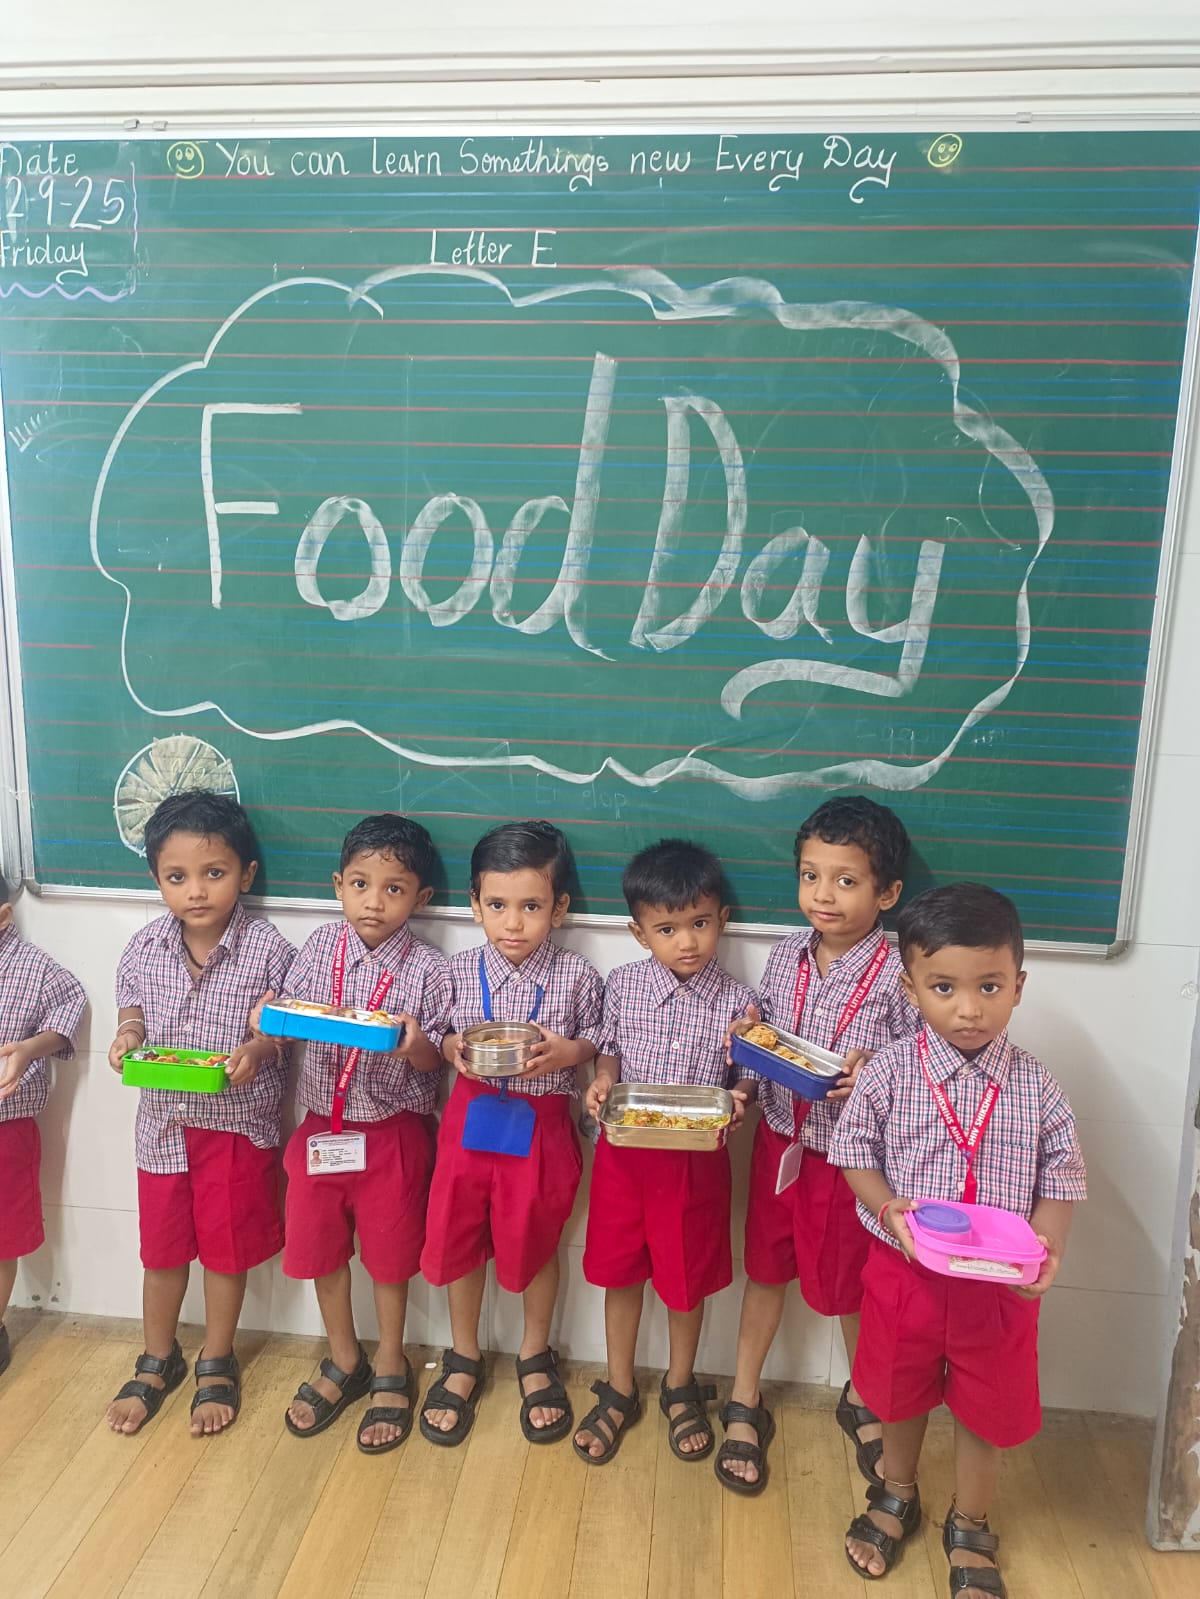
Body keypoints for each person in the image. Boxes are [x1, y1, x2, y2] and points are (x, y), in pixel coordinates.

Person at [829, 882, 1086, 1596]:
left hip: (998, 1288)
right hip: (904, 1274)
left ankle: (970, 1522)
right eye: (944, 987)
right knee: (898, 1393)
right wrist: (888, 1210)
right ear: (910, 987)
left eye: (989, 986)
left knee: (987, 1407)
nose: (969, 1008)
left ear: (1018, 986)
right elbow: (854, 1154)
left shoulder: (1038, 1086)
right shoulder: (888, 1070)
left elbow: (1062, 1175)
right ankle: (896, 1490)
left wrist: (1049, 1246)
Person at [718, 796, 918, 1494]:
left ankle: (864, 1395)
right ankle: (744, 1394)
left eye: (845, 880)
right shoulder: (785, 956)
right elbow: (765, 1037)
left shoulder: (900, 972)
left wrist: (875, 1070)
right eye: (810, 875)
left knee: (853, 1286)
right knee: (765, 1270)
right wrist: (745, 1053)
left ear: (887, 893)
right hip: (780, 1142)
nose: (823, 894)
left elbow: (919, 1060)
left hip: (847, 1163)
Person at [105, 792, 295, 1436]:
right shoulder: (144, 946)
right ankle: (157, 1356)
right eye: (176, 876)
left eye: (214, 873)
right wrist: (128, 1037)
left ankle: (217, 1357)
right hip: (163, 1125)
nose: (196, 891)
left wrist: (257, 1050)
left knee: (225, 1250)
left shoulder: (269, 949)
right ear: (156, 879)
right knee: (161, 1252)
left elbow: (280, 1033)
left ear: (246, 874)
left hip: (236, 1126)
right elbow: (132, 1009)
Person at [574, 839, 756, 1465]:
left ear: (721, 919)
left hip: (694, 1164)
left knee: (685, 1281)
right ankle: (619, 1386)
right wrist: (602, 1081)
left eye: (700, 923)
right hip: (625, 1160)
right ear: (639, 932)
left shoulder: (738, 1001)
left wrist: (741, 1097)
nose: (687, 942)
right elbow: (609, 1054)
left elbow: (747, 1076)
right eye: (668, 929)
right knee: (620, 1273)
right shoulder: (622, 985)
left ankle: (680, 1385)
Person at [420, 821, 601, 1447]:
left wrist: (570, 1051)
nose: (514, 923)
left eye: (531, 906)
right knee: (459, 1238)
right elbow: (439, 1036)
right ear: (475, 905)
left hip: (541, 1129)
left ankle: (534, 1353)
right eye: (497, 905)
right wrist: (451, 1048)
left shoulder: (577, 975)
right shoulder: (455, 970)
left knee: (537, 1242)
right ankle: (464, 1354)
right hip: (470, 1126)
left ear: (559, 907)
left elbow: (596, 1041)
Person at [274, 814, 450, 1454]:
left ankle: (392, 1360)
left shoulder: (430, 969)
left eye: (393, 888)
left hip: (393, 1134)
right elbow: (287, 1023)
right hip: (321, 1130)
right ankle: (344, 1356)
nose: (374, 901)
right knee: (321, 1249)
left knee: (390, 1257)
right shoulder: (318, 947)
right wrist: (269, 1021)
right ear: (338, 885)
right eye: (359, 884)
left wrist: (413, 1044)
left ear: (421, 897)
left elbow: (435, 1062)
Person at [0, 879, 87, 1381]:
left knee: (2, 1237)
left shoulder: (34, 968)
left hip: (5, 1127)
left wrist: (31, 1047)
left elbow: (71, 1005)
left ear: (3, 917)